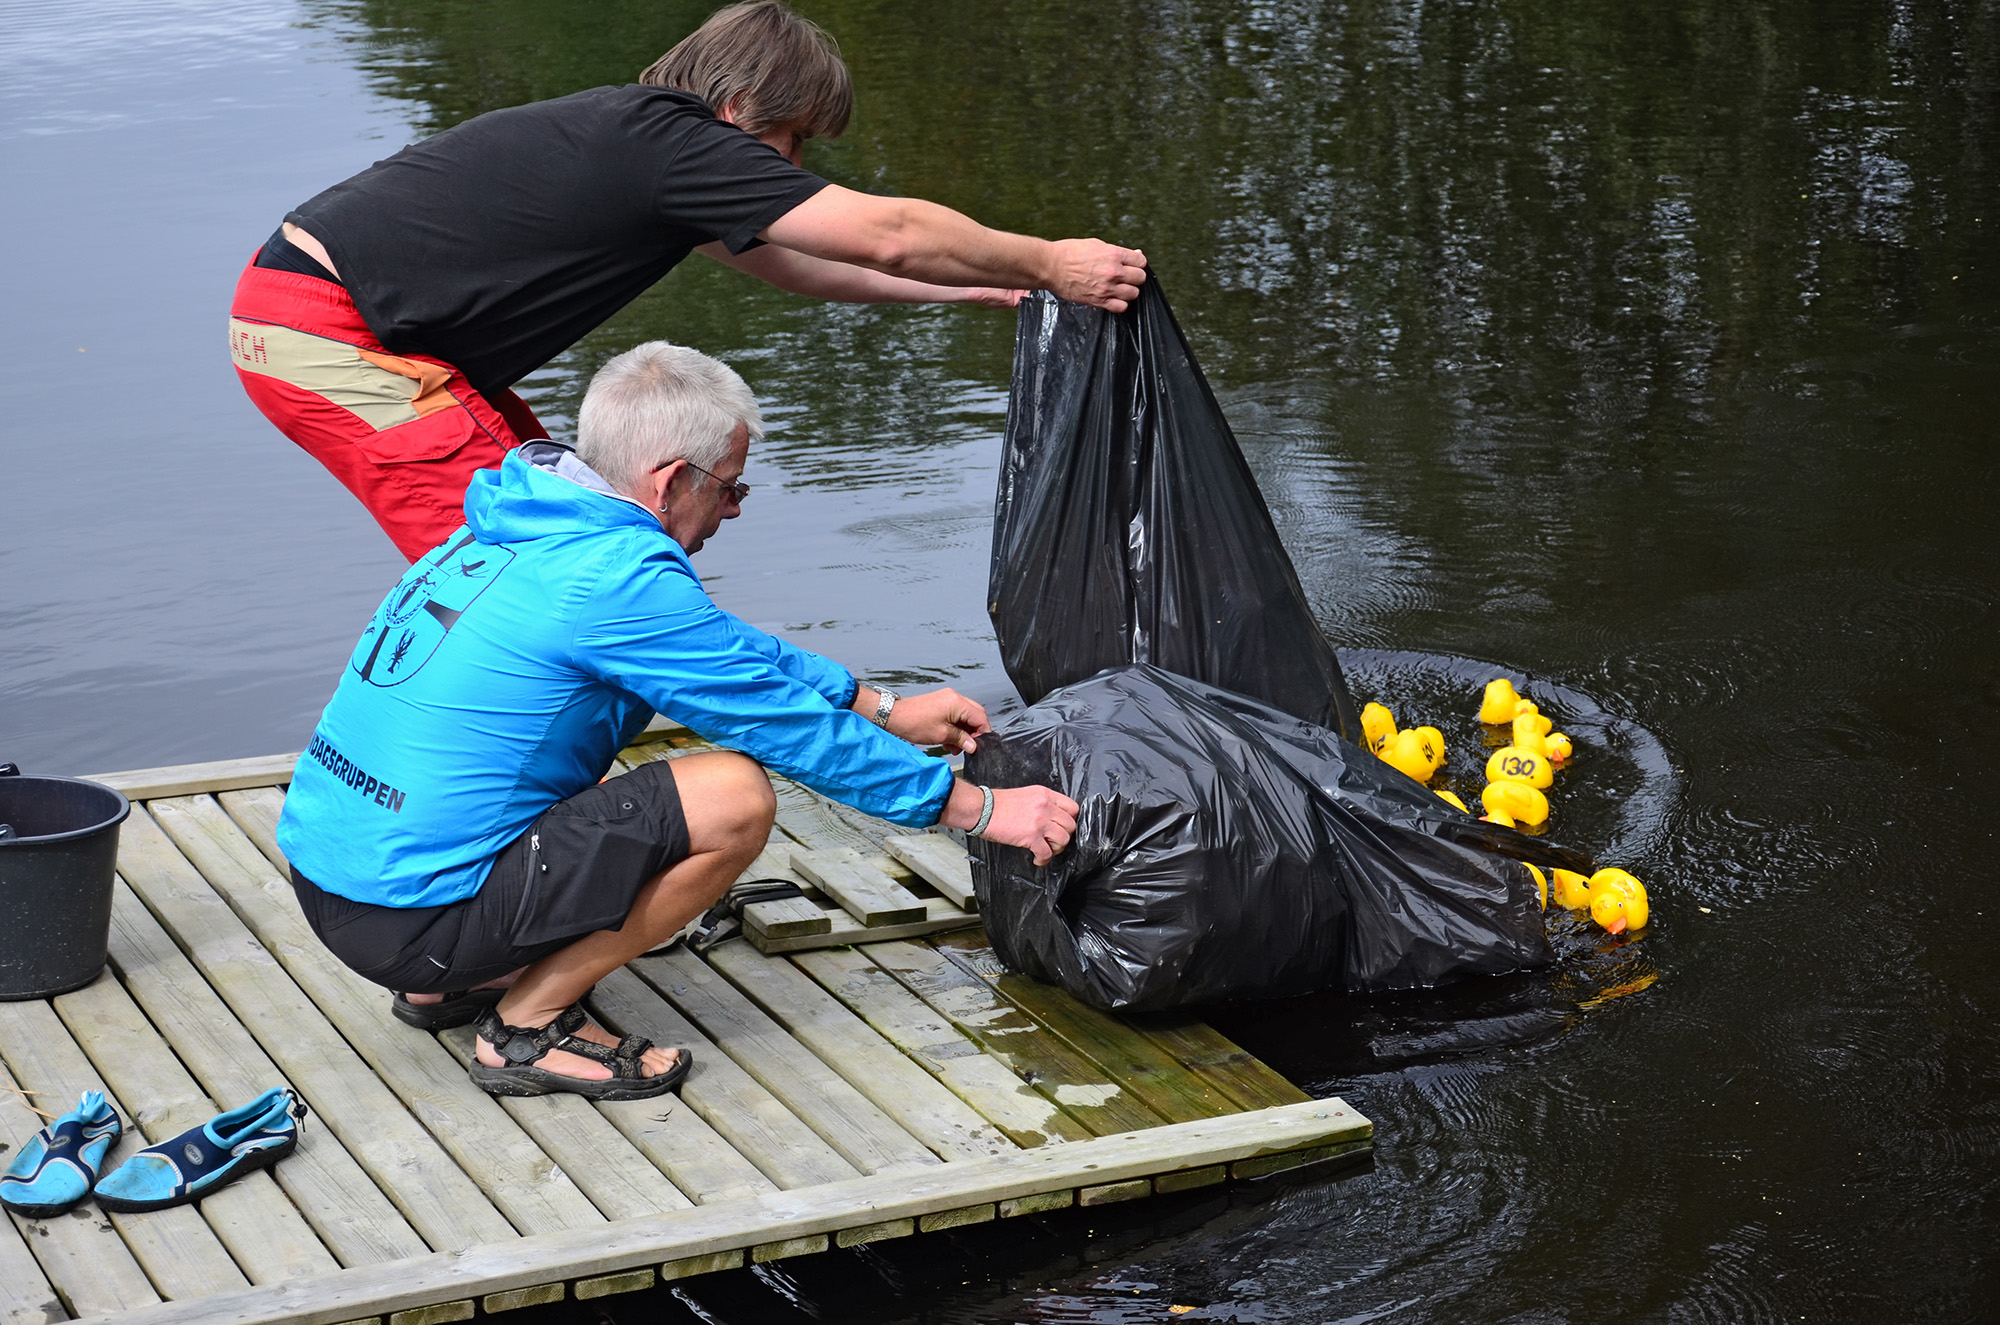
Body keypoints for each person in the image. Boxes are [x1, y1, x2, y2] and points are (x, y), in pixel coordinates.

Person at [275, 340, 1078, 1100]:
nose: (734, 508)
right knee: (733, 794)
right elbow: (778, 727)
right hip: (412, 914)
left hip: (335, 884)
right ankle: (526, 1025)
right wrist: (978, 808)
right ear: (670, 479)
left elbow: (721, 648)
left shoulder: (524, 520)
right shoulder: (614, 577)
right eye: (730, 485)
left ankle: (443, 983)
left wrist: (883, 707)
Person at [231, 0, 1147, 561]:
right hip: (328, 328)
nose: (792, 166)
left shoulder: (647, 154)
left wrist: (967, 291)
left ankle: (569, 755)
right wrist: (1052, 259)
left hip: (335, 323)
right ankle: (501, 824)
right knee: (513, 562)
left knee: (561, 514)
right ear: (741, 107)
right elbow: (890, 229)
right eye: (792, 142)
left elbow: (804, 263)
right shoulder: (670, 142)